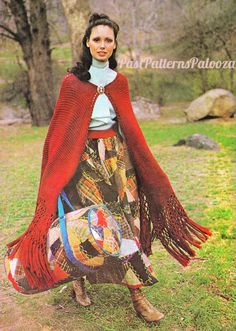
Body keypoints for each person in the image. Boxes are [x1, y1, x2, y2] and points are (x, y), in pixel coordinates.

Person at [6, 12, 212, 325]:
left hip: (117, 161)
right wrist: (58, 171)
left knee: (123, 225)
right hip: (83, 162)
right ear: (87, 43)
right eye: (97, 39)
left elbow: (128, 126)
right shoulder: (73, 83)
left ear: (114, 45)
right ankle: (78, 279)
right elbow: (59, 132)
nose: (102, 45)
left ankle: (137, 294)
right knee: (87, 226)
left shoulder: (120, 82)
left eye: (108, 40)